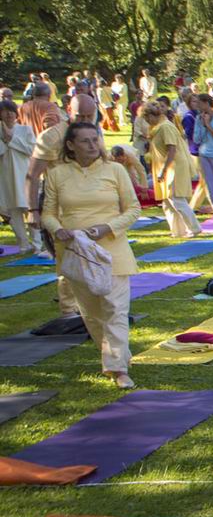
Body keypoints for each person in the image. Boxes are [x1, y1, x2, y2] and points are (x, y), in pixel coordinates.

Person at [41, 122, 140, 389]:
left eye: (95, 139)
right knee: (92, 315)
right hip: (76, 251)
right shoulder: (57, 174)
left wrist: (108, 227)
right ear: (71, 145)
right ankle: (116, 355)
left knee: (116, 310)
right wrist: (58, 230)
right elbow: (48, 213)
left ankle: (118, 369)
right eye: (85, 141)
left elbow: (133, 209)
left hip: (112, 249)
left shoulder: (115, 170)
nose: (92, 145)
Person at [145, 103, 199, 237]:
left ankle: (194, 228)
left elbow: (172, 149)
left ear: (153, 115)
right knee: (167, 201)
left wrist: (164, 169)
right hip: (163, 166)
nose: (146, 121)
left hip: (174, 166)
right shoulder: (157, 128)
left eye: (147, 117)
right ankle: (177, 231)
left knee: (177, 199)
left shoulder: (166, 127)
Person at [0, 101, 38, 253]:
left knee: (29, 208)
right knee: (13, 210)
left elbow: (31, 149)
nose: (9, 114)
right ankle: (23, 244)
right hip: (6, 176)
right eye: (5, 111)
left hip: (24, 174)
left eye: (11, 111)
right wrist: (5, 136)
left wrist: (12, 139)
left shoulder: (25, 130)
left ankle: (37, 244)